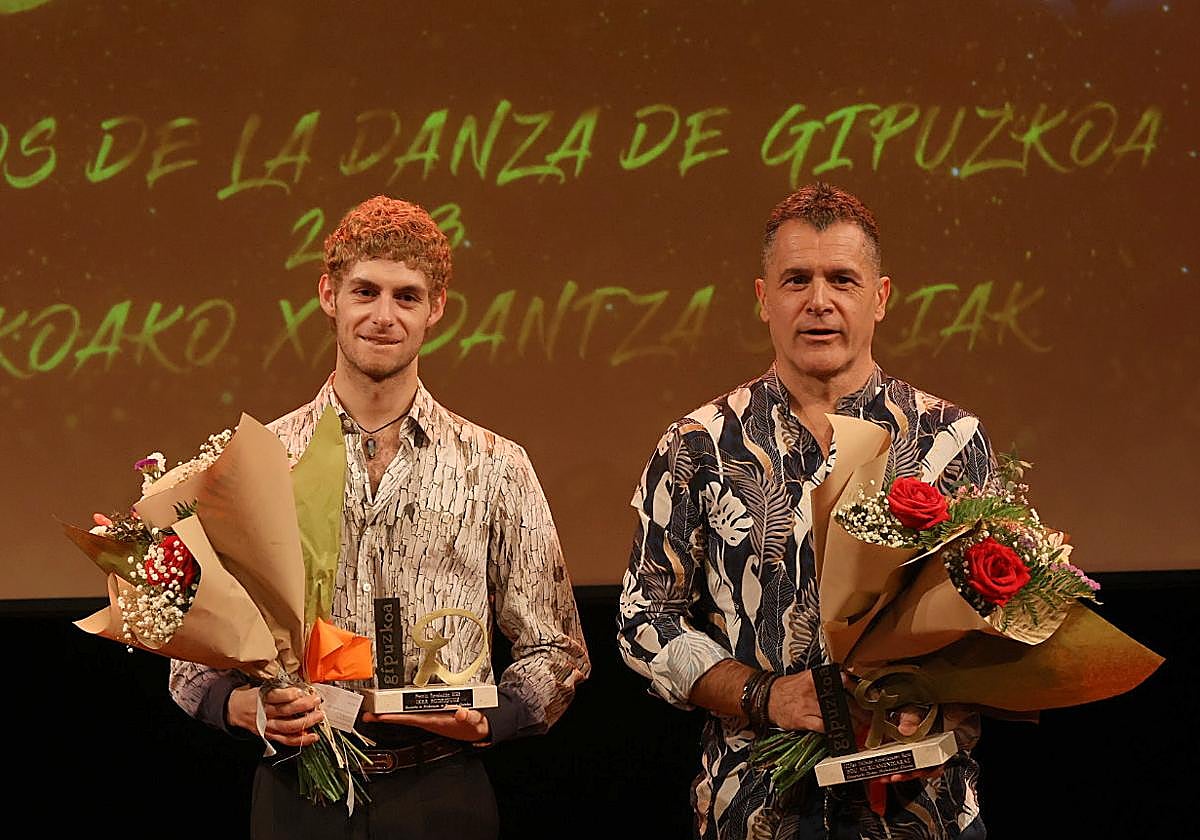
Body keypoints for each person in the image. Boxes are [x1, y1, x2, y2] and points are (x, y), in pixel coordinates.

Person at [170, 195, 590, 840]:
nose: (383, 316)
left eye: (407, 296)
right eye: (365, 291)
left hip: (442, 790)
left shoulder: (494, 465)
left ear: (437, 309)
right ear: (328, 295)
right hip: (298, 787)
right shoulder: (259, 462)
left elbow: (556, 649)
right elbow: (190, 656)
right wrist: (241, 706)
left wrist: (494, 716)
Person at [618, 183, 992, 839]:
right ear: (764, 300)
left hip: (922, 812)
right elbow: (644, 619)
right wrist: (762, 696)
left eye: (842, 279)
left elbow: (1002, 618)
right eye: (797, 279)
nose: (819, 301)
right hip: (756, 807)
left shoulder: (948, 441)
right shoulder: (698, 445)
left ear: (879, 297)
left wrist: (929, 714)